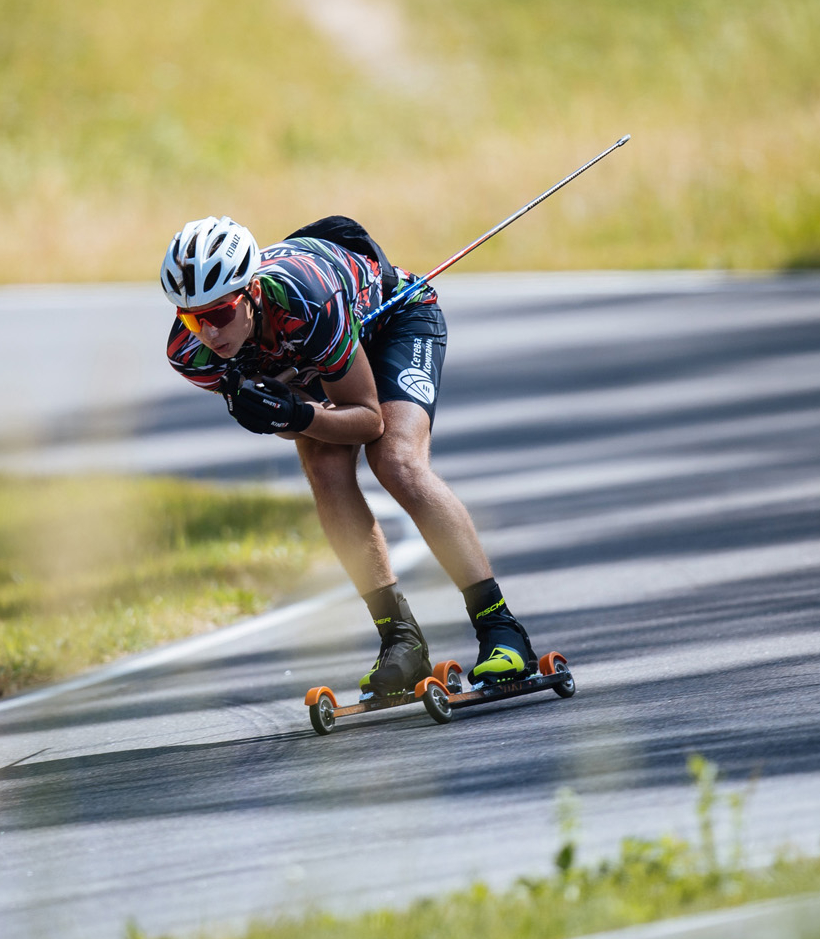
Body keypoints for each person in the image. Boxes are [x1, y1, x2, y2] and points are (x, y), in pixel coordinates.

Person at [160, 214, 539, 697]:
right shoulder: (190, 353)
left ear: (251, 291)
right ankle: (399, 638)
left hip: (394, 322)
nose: (209, 332)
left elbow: (367, 418)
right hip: (316, 355)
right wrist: (282, 414)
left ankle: (500, 628)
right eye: (193, 317)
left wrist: (295, 413)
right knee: (323, 464)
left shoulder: (307, 300)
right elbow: (286, 418)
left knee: (396, 462)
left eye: (218, 313)